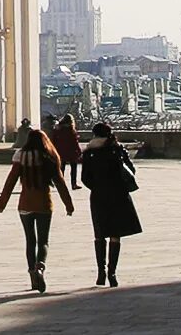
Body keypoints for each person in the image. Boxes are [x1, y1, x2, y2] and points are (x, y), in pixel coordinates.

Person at [0, 124, 74, 293]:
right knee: (43, 241)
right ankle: (40, 267)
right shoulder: (49, 158)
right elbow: (60, 183)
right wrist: (69, 205)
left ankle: (32, 274)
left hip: (25, 204)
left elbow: (10, 182)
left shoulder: (21, 157)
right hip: (44, 204)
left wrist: (2, 203)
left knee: (30, 241)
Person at [78, 121, 142, 288]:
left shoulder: (89, 152)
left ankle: (101, 272)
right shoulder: (117, 149)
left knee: (99, 233)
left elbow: (85, 178)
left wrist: (98, 187)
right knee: (115, 233)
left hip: (99, 196)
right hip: (118, 195)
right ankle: (112, 272)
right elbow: (130, 171)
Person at [53, 111, 84, 190]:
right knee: (73, 168)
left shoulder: (58, 129)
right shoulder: (71, 130)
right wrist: (79, 151)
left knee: (61, 168)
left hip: (61, 151)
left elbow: (54, 141)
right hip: (71, 151)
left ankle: (61, 184)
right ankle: (73, 184)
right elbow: (75, 142)